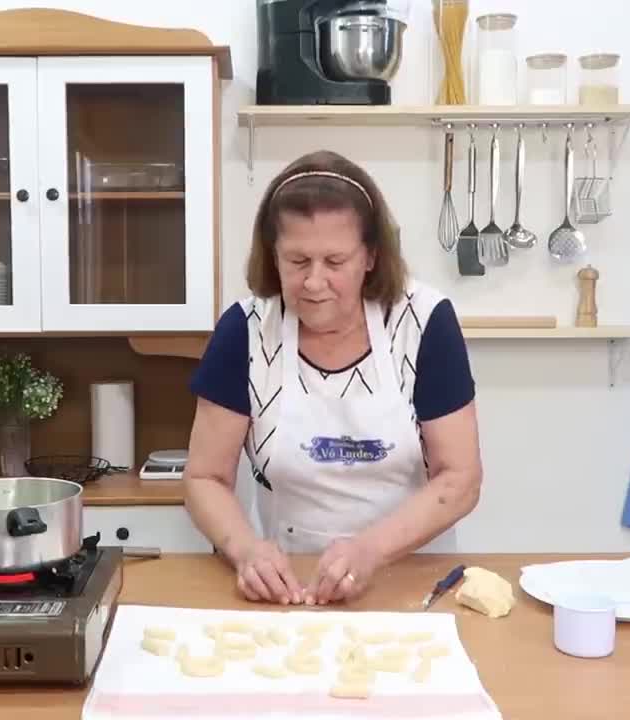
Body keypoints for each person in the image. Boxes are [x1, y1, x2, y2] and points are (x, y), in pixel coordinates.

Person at [182, 150, 482, 606]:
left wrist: (370, 551)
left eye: (335, 262)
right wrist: (246, 552)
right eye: (297, 261)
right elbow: (205, 477)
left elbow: (460, 479)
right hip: (292, 588)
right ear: (273, 256)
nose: (314, 282)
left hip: (413, 581)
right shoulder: (245, 331)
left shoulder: (424, 323)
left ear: (371, 257)